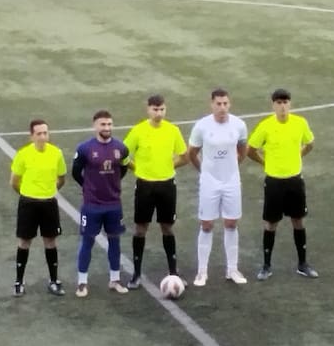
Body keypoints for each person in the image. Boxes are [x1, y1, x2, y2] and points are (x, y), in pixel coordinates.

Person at [246, 88, 317, 280]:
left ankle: (302, 264)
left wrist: (298, 156)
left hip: (295, 180)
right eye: (279, 103)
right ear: (273, 105)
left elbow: (309, 144)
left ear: (290, 104)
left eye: (285, 102)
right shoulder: (265, 126)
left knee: (298, 220)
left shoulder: (300, 123)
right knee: (271, 223)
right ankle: (266, 266)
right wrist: (265, 163)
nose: (283, 106)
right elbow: (250, 149)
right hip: (274, 181)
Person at [122, 94, 189, 289]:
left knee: (167, 227)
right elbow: (123, 156)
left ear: (165, 110)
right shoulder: (138, 131)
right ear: (148, 109)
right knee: (141, 228)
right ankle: (136, 273)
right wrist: (137, 169)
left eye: (161, 109)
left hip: (167, 185)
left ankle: (173, 271)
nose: (158, 113)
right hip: (145, 186)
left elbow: (184, 157)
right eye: (155, 109)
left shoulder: (172, 131)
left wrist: (170, 165)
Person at [188, 88, 250, 287]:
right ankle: (202, 272)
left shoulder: (239, 125)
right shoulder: (202, 126)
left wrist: (232, 166)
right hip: (209, 182)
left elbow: (243, 149)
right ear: (212, 104)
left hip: (231, 181)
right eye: (218, 104)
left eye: (225, 104)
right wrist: (204, 171)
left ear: (229, 104)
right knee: (206, 224)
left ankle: (232, 269)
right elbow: (192, 153)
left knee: (231, 223)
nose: (222, 107)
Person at [70, 110, 131, 297]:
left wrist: (113, 186)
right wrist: (88, 187)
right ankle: (82, 282)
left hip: (113, 203)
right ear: (95, 125)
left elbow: (124, 168)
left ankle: (115, 279)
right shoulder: (84, 148)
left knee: (115, 240)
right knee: (87, 241)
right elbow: (75, 172)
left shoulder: (121, 148)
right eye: (103, 124)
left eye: (109, 124)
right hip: (92, 205)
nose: (107, 128)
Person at [10, 119, 67, 297]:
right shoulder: (23, 154)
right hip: (28, 203)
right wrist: (28, 194)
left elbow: (61, 178)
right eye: (39, 134)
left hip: (49, 203)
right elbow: (14, 181)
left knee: (50, 241)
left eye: (45, 133)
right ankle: (19, 282)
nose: (43, 137)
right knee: (24, 241)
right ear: (32, 136)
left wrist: (48, 191)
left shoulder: (56, 153)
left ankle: (54, 280)